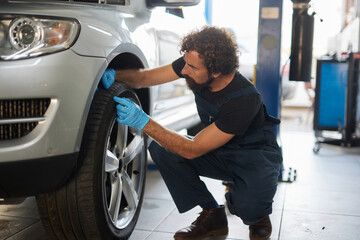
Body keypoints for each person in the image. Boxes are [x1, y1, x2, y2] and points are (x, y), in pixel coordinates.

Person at [101, 26, 282, 240]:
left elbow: (192, 149)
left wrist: (143, 120)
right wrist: (113, 75)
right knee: (161, 148)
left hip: (255, 158)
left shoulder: (244, 99)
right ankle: (212, 215)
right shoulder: (195, 64)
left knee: (246, 207)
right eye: (185, 63)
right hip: (219, 151)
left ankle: (258, 215)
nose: (184, 70)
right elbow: (145, 78)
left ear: (215, 72)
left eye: (192, 67)